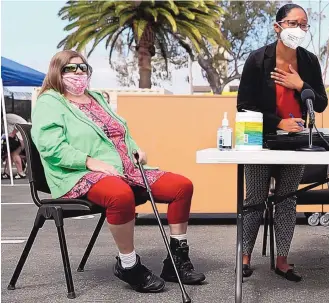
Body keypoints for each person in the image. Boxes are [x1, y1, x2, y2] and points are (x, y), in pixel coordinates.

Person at [31, 50, 205, 293]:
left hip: (125, 168)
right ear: (56, 72)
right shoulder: (49, 101)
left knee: (181, 186)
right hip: (78, 173)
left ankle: (176, 258)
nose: (79, 73)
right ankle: (129, 265)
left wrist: (136, 150)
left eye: (83, 67)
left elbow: (120, 131)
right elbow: (51, 147)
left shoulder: (96, 98)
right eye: (71, 68)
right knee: (120, 195)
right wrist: (90, 161)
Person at [236, 3, 328, 282]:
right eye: (292, 23)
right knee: (254, 199)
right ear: (277, 27)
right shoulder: (257, 59)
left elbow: (320, 103)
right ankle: (244, 257)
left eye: (303, 25)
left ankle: (283, 260)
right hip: (261, 142)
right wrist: (278, 122)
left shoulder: (310, 61)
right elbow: (244, 106)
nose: (298, 30)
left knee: (287, 200)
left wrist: (300, 86)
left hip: (296, 143)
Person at [2, 113, 28, 179]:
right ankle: (8, 173)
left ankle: (21, 172)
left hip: (19, 138)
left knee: (15, 154)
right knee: (9, 155)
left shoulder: (7, 117)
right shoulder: (5, 118)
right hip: (14, 138)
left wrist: (13, 133)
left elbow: (21, 123)